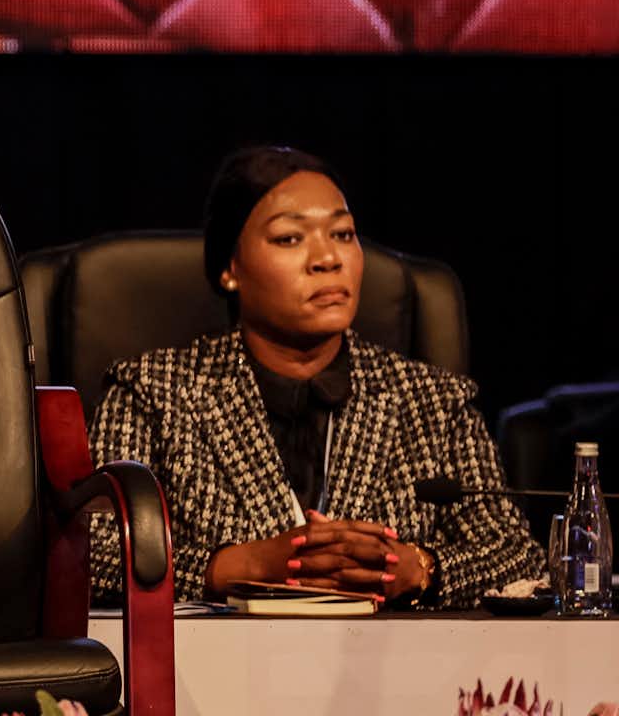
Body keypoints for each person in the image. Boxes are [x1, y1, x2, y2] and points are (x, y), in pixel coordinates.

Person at [90, 146, 542, 607]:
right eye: (290, 238)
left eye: (343, 234)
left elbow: (519, 557)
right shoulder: (151, 392)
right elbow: (89, 555)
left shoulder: (434, 401)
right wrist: (237, 566)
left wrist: (419, 568)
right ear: (230, 268)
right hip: (219, 652)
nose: (328, 258)